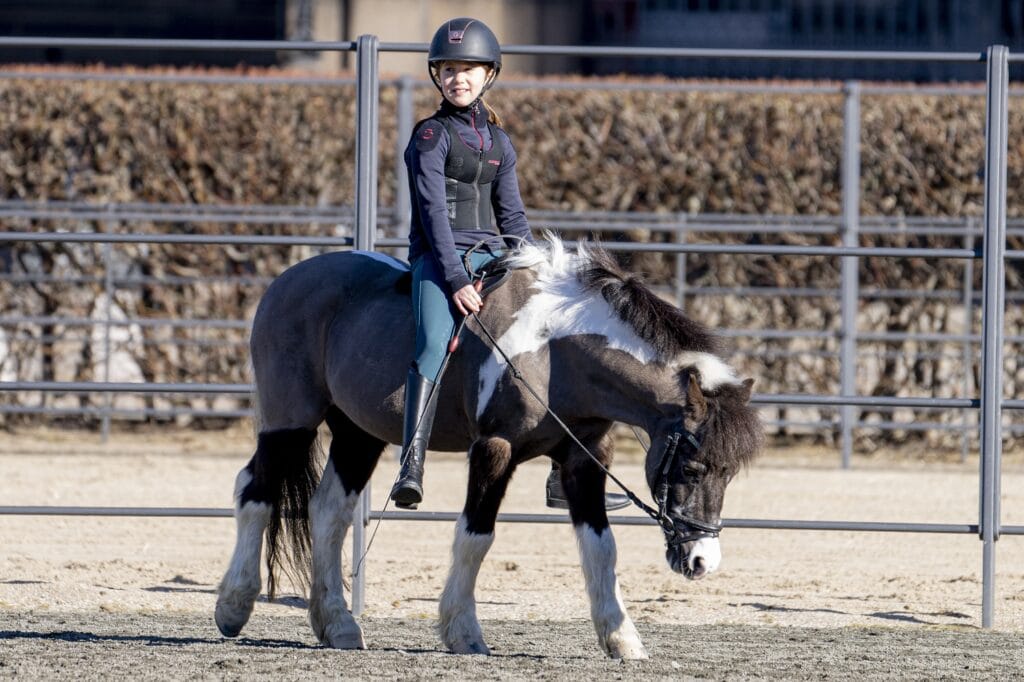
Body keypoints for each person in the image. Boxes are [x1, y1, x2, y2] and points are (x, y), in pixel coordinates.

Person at [391, 17, 628, 514]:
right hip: (439, 259)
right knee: (433, 341)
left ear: (488, 75)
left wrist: (533, 268)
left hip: (494, 257)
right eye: (449, 69)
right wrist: (454, 279)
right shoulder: (430, 137)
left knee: (549, 337)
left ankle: (564, 473)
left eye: (469, 69)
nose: (459, 78)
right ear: (437, 76)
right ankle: (410, 464)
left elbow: (513, 217)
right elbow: (433, 213)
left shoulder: (499, 143)